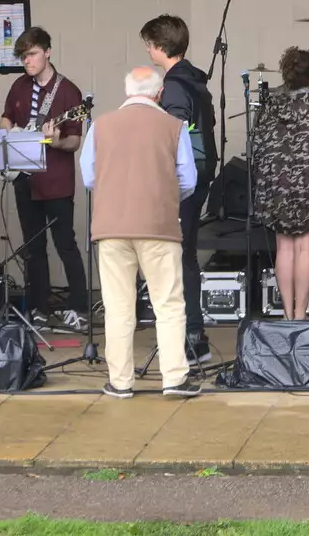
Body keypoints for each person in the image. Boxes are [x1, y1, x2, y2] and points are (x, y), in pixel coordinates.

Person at [79, 67, 201, 399]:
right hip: (159, 227)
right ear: (159, 93)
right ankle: (174, 378)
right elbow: (188, 181)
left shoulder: (100, 126)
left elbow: (89, 178)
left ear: (126, 90)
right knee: (169, 304)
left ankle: (120, 382)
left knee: (118, 307)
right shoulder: (174, 127)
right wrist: (163, 195)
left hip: (112, 227)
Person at [0, 26, 89, 332]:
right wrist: (9, 132)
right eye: (23, 57)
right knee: (32, 247)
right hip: (25, 180)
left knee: (65, 243)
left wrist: (54, 142)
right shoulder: (19, 87)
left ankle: (79, 306)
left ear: (48, 51)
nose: (28, 61)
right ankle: (38, 307)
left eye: (33, 54)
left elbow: (74, 142)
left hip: (56, 181)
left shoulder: (69, 92)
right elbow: (6, 117)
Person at [140, 15, 218, 363]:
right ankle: (193, 335)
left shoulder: (173, 85)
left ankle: (189, 337)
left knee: (177, 258)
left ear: (160, 47)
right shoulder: (196, 80)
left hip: (183, 182)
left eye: (149, 44)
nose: (147, 50)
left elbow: (173, 133)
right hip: (202, 175)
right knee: (184, 256)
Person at [252, 47, 309, 321]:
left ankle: (286, 315)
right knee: (306, 249)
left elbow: (256, 146)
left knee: (284, 248)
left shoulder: (270, 105)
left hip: (276, 186)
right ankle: (301, 314)